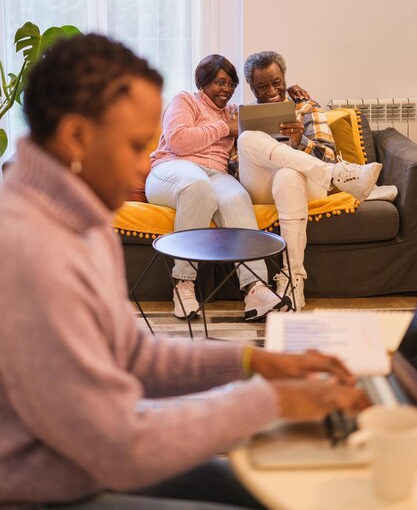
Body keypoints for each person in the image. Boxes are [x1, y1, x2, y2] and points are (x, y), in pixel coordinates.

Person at [0, 34, 369, 510]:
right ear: (75, 137)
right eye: (137, 144)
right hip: (42, 490)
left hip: (90, 463)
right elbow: (117, 443)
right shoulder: (28, 249)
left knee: (266, 490)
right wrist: (268, 403)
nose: (146, 163)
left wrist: (254, 364)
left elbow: (134, 359)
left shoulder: (83, 222)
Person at [146, 54, 291, 322]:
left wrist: (294, 94)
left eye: (230, 84)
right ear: (203, 82)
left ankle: (255, 287)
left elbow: (266, 112)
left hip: (215, 174)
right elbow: (179, 141)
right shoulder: (185, 100)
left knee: (237, 196)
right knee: (197, 186)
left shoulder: (234, 112)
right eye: (219, 82)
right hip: (171, 169)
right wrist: (225, 128)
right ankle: (184, 285)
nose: (225, 89)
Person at [238, 51, 382, 310]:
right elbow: (237, 165)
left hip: (304, 186)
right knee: (246, 139)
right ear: (251, 86)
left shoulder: (306, 108)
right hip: (261, 187)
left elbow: (327, 154)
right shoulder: (245, 115)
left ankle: (293, 281)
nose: (271, 90)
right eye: (263, 86)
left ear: (285, 78)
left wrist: (299, 142)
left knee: (288, 174)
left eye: (276, 82)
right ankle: (339, 175)